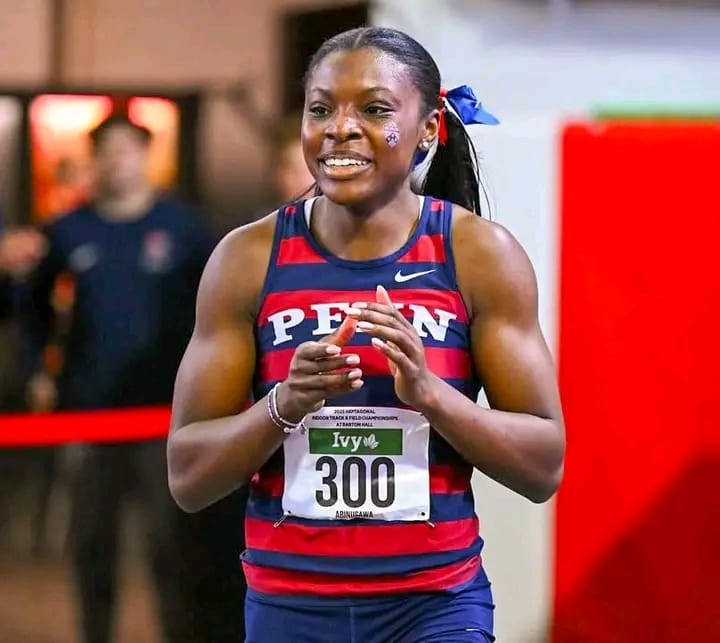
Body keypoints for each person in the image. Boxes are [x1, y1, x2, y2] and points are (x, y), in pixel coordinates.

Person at [167, 26, 565, 643]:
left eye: (375, 110)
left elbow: (543, 467)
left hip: (434, 608)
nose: (341, 128)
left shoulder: (479, 255)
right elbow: (188, 478)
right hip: (290, 608)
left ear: (429, 129)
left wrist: (432, 395)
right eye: (321, 109)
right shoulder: (246, 259)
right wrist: (284, 405)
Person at [23, 114, 218, 643]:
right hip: (89, 414)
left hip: (167, 415)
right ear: (95, 160)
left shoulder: (185, 230)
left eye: (127, 149)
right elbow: (32, 306)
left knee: (170, 546)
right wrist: (40, 368)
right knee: (92, 543)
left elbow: (217, 310)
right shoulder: (67, 230)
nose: (117, 161)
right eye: (106, 151)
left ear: (146, 156)